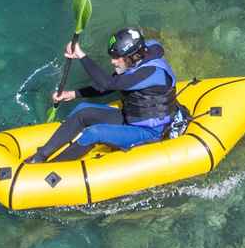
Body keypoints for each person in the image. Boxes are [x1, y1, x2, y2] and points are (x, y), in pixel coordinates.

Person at [25, 27, 179, 163]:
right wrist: (73, 94)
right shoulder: (139, 56)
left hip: (150, 131)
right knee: (83, 110)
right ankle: (40, 157)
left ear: (132, 55)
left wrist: (81, 55)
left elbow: (108, 84)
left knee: (94, 133)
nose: (113, 61)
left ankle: (52, 169)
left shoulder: (150, 73)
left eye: (117, 57)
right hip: (130, 118)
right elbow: (112, 83)